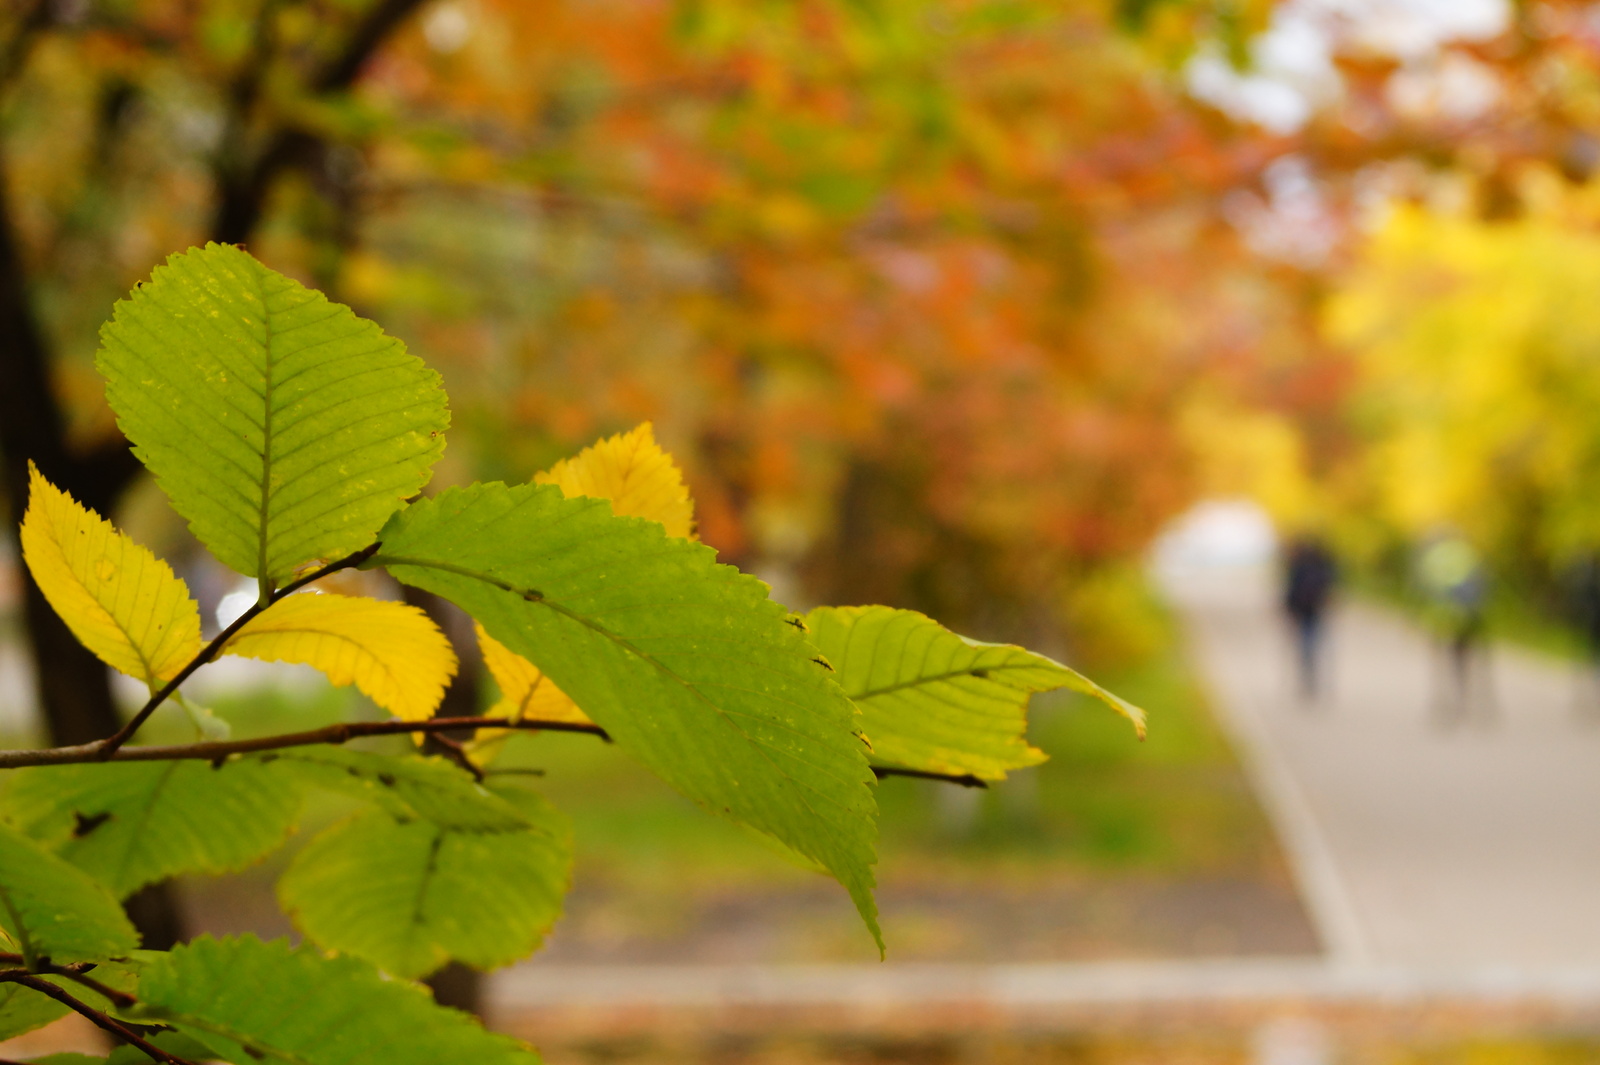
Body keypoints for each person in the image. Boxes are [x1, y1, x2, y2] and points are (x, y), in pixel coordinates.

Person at [1417, 535, 1490, 728]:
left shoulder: (1433, 557)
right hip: (1466, 613)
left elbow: (1425, 588)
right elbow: (1481, 582)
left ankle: (1444, 699)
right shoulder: (1466, 553)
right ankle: (1462, 697)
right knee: (1463, 658)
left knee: (1441, 658)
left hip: (1440, 616)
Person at [1283, 535, 1338, 701]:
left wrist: (1288, 608)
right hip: (1316, 609)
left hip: (1301, 609)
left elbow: (1291, 588)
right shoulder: (1322, 564)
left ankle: (1307, 670)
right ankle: (1312, 669)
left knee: (1305, 642)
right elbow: (1329, 585)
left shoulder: (1298, 565)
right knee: (1313, 640)